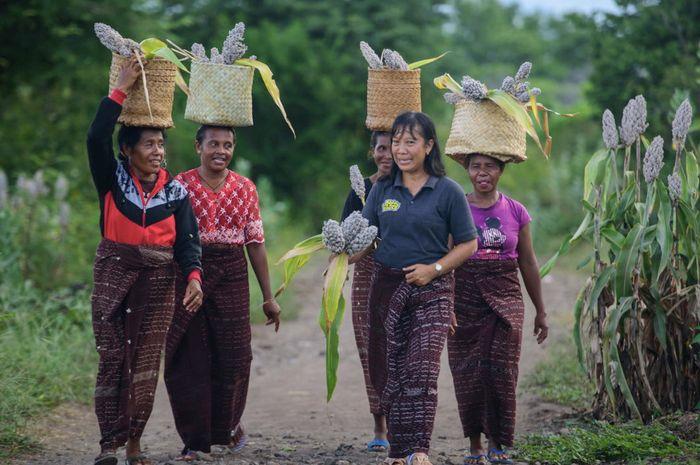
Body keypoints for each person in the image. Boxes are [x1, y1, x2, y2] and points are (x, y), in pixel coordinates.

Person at [87, 57, 203, 465]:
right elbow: (95, 137)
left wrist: (193, 277)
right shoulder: (111, 179)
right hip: (114, 276)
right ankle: (107, 444)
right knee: (113, 355)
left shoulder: (176, 192)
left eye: (161, 144)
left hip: (158, 282)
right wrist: (120, 88)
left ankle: (134, 444)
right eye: (149, 144)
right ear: (128, 150)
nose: (158, 152)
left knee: (146, 360)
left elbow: (189, 241)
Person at [357, 112, 478, 465]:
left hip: (433, 292)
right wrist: (341, 255)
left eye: (410, 141)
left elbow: (467, 244)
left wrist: (434, 269)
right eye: (396, 141)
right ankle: (399, 451)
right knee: (390, 371)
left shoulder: (448, 191)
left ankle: (419, 449)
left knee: (422, 370)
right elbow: (367, 238)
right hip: (386, 290)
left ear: (428, 146)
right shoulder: (382, 189)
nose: (400, 149)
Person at [165, 124, 282, 461]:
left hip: (232, 272)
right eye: (213, 143)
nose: (221, 151)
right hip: (189, 272)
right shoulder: (180, 186)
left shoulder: (245, 188)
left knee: (234, 356)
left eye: (228, 145)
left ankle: (226, 428)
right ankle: (194, 440)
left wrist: (268, 297)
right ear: (197, 146)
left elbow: (255, 244)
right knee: (189, 356)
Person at [448, 154, 548, 465]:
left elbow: (528, 262)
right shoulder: (455, 209)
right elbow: (447, 259)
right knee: (469, 370)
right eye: (476, 166)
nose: (482, 173)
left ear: (501, 170)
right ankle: (475, 447)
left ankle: (497, 444)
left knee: (502, 370)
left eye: (490, 166)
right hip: (465, 296)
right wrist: (447, 304)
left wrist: (541, 311)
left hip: (507, 297)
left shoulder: (516, 211)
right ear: (467, 170)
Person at [340, 130, 392, 453]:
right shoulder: (361, 190)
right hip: (367, 274)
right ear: (371, 152)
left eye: (394, 147)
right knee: (370, 348)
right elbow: (345, 237)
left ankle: (404, 419)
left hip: (402, 272)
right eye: (381, 148)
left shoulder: (410, 187)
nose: (387, 154)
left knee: (398, 347)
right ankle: (380, 425)